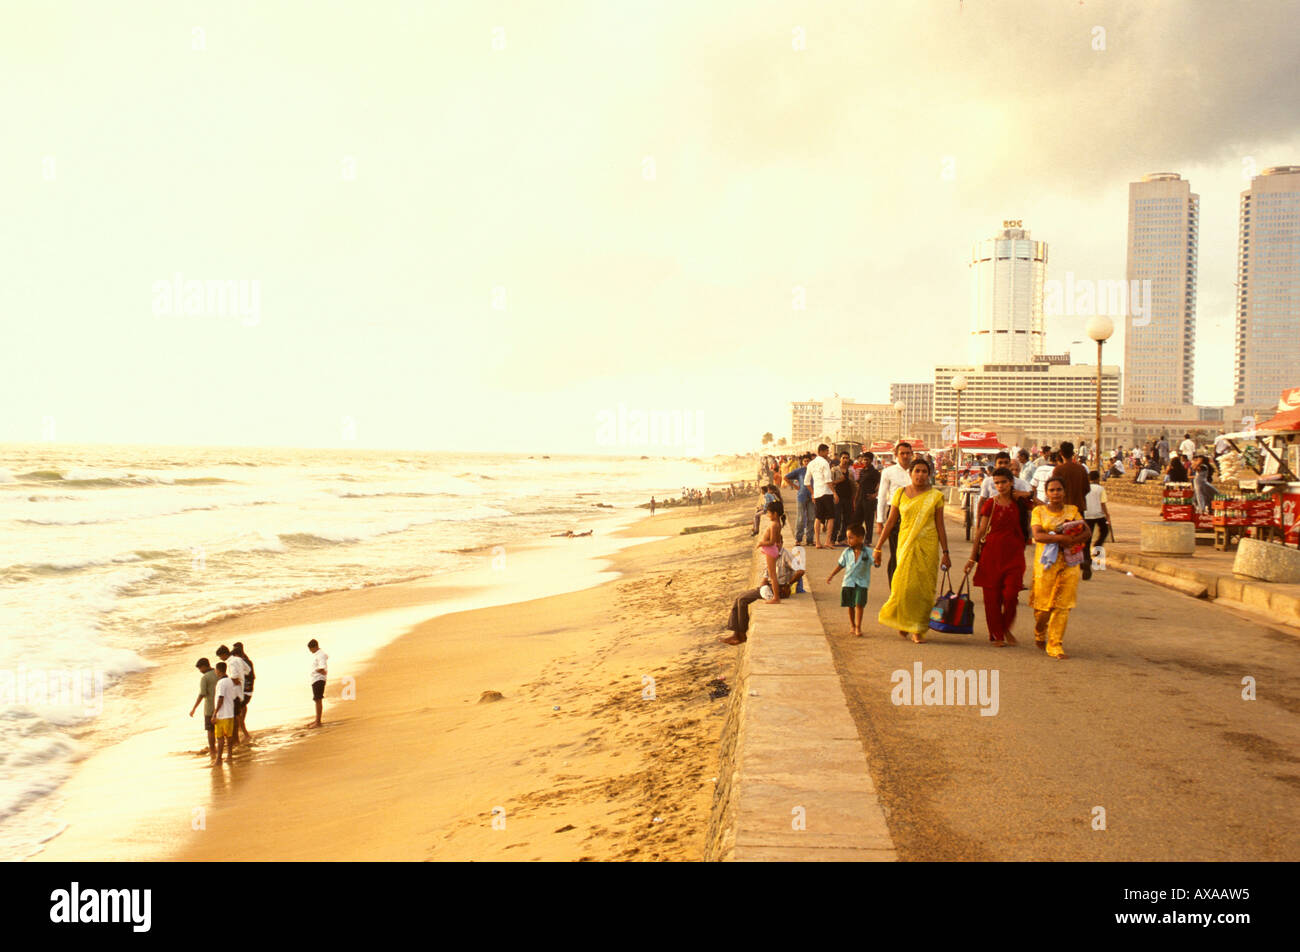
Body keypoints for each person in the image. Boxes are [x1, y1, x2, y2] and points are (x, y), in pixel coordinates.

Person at [873, 458, 951, 643]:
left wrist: (946, 553)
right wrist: (878, 547)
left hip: (928, 548)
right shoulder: (900, 493)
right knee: (903, 587)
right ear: (910, 473)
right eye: (917, 471)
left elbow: (940, 526)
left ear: (929, 474)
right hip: (905, 545)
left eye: (925, 471)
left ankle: (918, 628)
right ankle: (903, 621)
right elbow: (891, 522)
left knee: (923, 589)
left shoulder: (936, 497)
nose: (921, 475)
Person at [965, 467, 1028, 647]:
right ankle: (997, 633)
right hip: (991, 554)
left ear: (1011, 482)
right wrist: (972, 559)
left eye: (1004, 482)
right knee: (991, 597)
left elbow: (1041, 506)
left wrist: (1026, 494)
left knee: (1011, 594)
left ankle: (1005, 626)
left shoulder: (1020, 502)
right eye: (997, 483)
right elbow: (980, 532)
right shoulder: (991, 504)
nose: (1000, 486)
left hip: (1014, 554)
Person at [1029, 477, 1090, 659]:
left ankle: (1055, 645)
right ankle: (1040, 631)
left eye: (1059, 490)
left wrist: (1072, 541)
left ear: (1064, 492)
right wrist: (1059, 539)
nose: (1056, 493)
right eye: (1052, 490)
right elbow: (1038, 535)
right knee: (1042, 607)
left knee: (1063, 605)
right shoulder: (1038, 511)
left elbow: (1086, 531)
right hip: (1046, 564)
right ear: (1046, 493)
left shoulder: (1072, 511)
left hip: (1069, 562)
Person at [720, 547, 805, 645]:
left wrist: (788, 584)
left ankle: (741, 634)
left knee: (742, 599)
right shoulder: (771, 555)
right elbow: (766, 576)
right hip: (768, 587)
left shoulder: (786, 555)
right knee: (740, 597)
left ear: (781, 543)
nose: (776, 545)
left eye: (778, 543)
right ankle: (737, 633)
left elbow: (800, 571)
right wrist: (759, 589)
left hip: (780, 588)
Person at [874, 441, 915, 586]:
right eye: (902, 453)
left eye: (907, 453)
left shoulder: (917, 470)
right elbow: (882, 497)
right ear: (896, 455)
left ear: (912, 454)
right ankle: (894, 587)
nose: (905, 456)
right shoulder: (888, 472)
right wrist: (879, 522)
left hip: (914, 516)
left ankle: (908, 586)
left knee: (911, 555)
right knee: (896, 553)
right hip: (894, 515)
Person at [1052, 441, 1093, 579]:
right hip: (1079, 507)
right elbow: (1087, 489)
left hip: (1063, 508)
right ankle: (1086, 559)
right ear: (1073, 453)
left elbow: (1053, 488)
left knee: (1063, 537)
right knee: (1082, 535)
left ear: (1061, 454)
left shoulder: (1058, 470)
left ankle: (1065, 565)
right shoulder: (1080, 468)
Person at [827, 523, 872, 637]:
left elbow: (875, 562)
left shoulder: (868, 552)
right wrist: (832, 574)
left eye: (851, 538)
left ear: (860, 538)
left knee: (859, 604)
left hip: (862, 582)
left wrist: (878, 559)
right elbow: (841, 565)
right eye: (848, 538)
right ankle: (852, 625)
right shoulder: (847, 552)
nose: (848, 541)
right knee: (850, 605)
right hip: (848, 582)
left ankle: (858, 626)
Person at [188, 657, 220, 761]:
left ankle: (212, 750)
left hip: (210, 708)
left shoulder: (205, 677)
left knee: (210, 730)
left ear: (204, 666)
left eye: (200, 669)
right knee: (220, 729)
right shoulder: (218, 672)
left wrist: (194, 708)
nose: (200, 671)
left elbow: (202, 694)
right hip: (222, 707)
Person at [216, 645, 248, 746]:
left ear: (224, 654)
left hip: (235, 693)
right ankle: (243, 735)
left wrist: (226, 683)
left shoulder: (231, 663)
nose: (221, 659)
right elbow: (247, 670)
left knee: (235, 717)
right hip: (240, 691)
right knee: (237, 715)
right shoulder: (238, 659)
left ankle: (237, 740)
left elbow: (235, 679)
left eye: (220, 657)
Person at [807, 444, 836, 549]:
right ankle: (828, 540)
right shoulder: (825, 463)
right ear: (822, 451)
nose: (828, 453)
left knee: (818, 517)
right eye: (827, 451)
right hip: (827, 492)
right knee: (831, 517)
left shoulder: (811, 464)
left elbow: (807, 482)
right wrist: (835, 493)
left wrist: (813, 493)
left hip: (818, 493)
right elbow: (828, 480)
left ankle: (818, 542)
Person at [755, 501, 784, 603]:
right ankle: (775, 597)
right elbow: (777, 540)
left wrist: (761, 543)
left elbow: (772, 542)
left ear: (775, 514)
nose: (767, 515)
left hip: (771, 551)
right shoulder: (777, 523)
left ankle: (776, 598)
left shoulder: (773, 525)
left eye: (769, 513)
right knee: (772, 574)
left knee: (772, 575)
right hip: (772, 551)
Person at [783, 453, 814, 546]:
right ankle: (798, 539)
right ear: (802, 462)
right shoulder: (799, 471)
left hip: (812, 496)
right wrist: (796, 487)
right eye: (805, 461)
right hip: (802, 496)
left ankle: (810, 539)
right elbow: (785, 477)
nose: (807, 463)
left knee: (811, 518)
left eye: (808, 461)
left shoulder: (814, 471)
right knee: (801, 518)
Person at [211, 661, 238, 765]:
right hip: (230, 712)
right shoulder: (230, 681)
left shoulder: (221, 683)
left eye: (216, 670)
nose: (215, 672)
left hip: (222, 714)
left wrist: (214, 713)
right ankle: (229, 755)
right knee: (229, 736)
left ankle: (219, 759)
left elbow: (220, 698)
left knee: (220, 737)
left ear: (218, 670)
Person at [230, 642, 255, 742]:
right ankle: (242, 727)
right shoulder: (247, 660)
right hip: (248, 688)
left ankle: (244, 731)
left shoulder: (242, 661)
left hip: (244, 689)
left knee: (238, 710)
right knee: (241, 708)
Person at [854, 452, 880, 545]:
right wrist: (855, 500)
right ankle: (858, 538)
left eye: (867, 459)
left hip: (869, 499)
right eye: (864, 459)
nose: (865, 461)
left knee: (869, 521)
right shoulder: (862, 471)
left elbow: (880, 484)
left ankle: (868, 540)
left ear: (871, 460)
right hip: (860, 498)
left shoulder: (875, 472)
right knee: (857, 520)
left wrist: (875, 495)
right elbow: (859, 486)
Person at [1084, 470, 1112, 551]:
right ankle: (1098, 544)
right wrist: (1107, 515)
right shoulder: (1100, 488)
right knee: (1104, 531)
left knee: (1088, 535)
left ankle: (1086, 556)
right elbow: (1102, 503)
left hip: (1087, 514)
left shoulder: (1085, 487)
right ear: (1097, 479)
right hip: (1098, 514)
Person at [832, 452, 855, 545]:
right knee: (836, 519)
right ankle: (832, 539)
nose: (845, 460)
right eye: (843, 458)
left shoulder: (850, 471)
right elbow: (830, 483)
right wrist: (839, 481)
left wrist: (854, 498)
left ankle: (842, 538)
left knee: (847, 519)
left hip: (848, 497)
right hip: (838, 497)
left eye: (847, 458)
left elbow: (854, 485)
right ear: (840, 459)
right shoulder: (834, 470)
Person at [308, 638, 328, 728]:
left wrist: (317, 671)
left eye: (310, 649)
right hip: (316, 679)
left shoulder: (321, 655)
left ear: (314, 647)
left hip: (318, 679)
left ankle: (318, 722)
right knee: (317, 700)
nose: (310, 651)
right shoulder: (319, 654)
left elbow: (322, 668)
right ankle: (317, 720)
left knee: (318, 700)